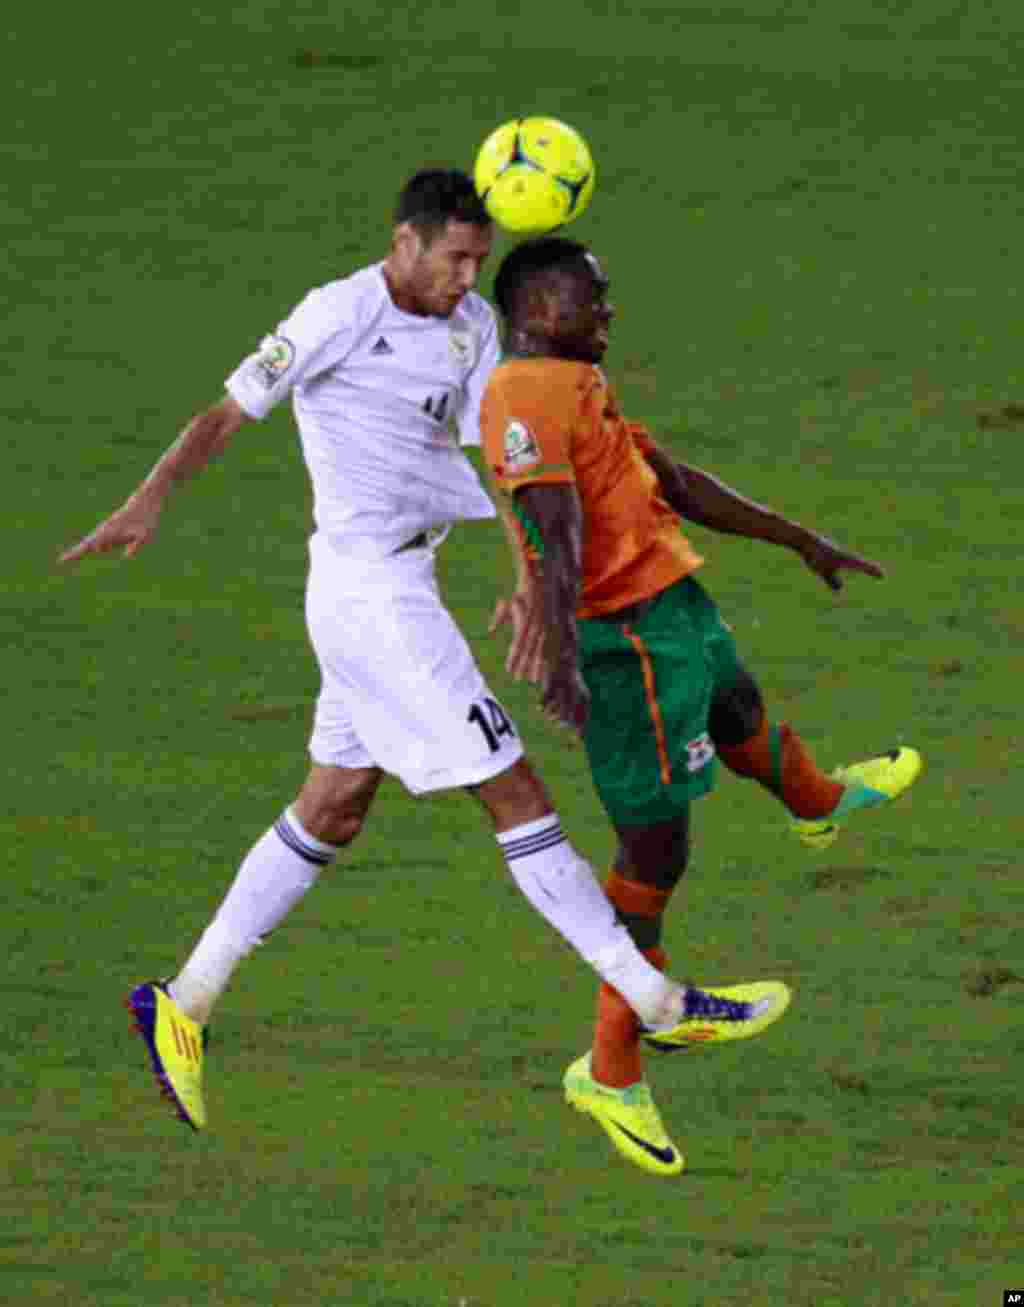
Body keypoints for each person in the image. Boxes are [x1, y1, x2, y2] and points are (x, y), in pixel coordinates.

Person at [58, 172, 789, 1157]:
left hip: (399, 586)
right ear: (403, 242)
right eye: (452, 257)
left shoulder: (469, 329)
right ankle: (653, 996)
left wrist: (532, 581)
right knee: (516, 791)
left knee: (336, 801)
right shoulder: (336, 314)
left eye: (479, 261)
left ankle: (183, 1000)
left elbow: (506, 456)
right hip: (371, 598)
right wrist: (148, 500)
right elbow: (225, 412)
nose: (465, 277)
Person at [480, 236, 922, 1177]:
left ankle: (816, 804)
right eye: (592, 300)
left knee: (736, 702)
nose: (608, 313)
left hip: (671, 607)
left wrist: (800, 538)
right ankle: (611, 1064)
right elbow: (552, 533)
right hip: (622, 641)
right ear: (538, 308)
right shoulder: (523, 395)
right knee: (655, 846)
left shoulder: (575, 383)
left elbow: (668, 479)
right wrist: (560, 655)